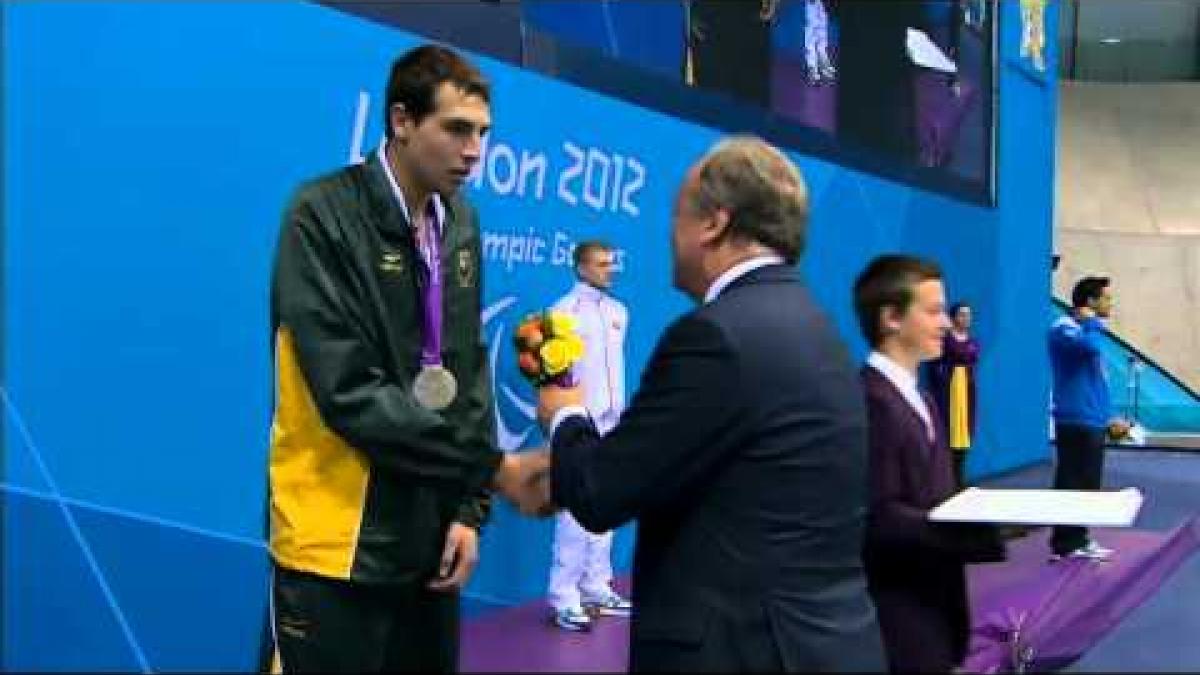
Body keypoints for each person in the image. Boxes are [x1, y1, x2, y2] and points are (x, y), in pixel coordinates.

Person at [515, 135, 886, 671]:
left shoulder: (715, 337)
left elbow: (601, 492)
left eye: (676, 216)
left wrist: (564, 411)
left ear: (714, 222)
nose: (669, 235)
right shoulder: (818, 330)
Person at [266, 43, 539, 673]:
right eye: (457, 129)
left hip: (428, 545)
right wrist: (493, 468)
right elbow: (350, 391)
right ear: (401, 121)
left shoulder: (460, 223)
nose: (474, 151)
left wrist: (468, 509)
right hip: (335, 543)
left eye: (483, 134)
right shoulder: (322, 215)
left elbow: (467, 372)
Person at [853, 255, 1004, 673]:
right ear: (891, 319)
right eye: (933, 310)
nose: (945, 323)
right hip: (898, 620)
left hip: (935, 607)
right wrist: (975, 535)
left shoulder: (918, 398)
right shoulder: (870, 401)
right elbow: (880, 517)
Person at [546, 240, 633, 631]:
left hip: (613, 423)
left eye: (612, 263)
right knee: (573, 510)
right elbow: (554, 377)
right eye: (601, 264)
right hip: (578, 423)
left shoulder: (619, 312)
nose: (610, 270)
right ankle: (564, 596)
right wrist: (566, 418)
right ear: (581, 268)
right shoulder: (561, 313)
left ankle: (596, 584)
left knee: (608, 502)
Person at [1048, 276, 1128, 562]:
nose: (1110, 303)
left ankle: (1079, 538)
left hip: (1092, 419)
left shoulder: (1088, 331)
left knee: (1088, 484)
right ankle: (1063, 544)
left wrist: (1108, 417)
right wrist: (1093, 322)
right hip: (1073, 418)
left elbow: (1098, 381)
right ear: (1090, 302)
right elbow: (1087, 347)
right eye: (1105, 298)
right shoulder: (1063, 328)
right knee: (1070, 481)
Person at [927, 301, 980, 486]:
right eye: (962, 314)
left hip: (966, 390)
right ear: (953, 317)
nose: (966, 318)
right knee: (948, 434)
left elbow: (971, 355)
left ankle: (959, 478)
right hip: (949, 391)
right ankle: (945, 481)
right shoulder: (945, 340)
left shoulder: (973, 341)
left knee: (964, 434)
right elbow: (935, 363)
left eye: (969, 314)